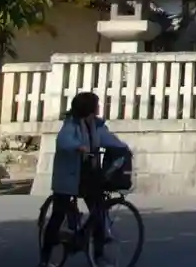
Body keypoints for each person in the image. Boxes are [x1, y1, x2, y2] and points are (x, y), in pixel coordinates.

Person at [40, 91, 127, 267]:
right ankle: (45, 258)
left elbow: (107, 139)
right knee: (58, 215)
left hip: (88, 175)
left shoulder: (96, 125)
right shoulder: (71, 125)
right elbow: (63, 141)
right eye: (96, 104)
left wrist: (123, 148)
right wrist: (78, 146)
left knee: (99, 212)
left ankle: (98, 255)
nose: (99, 107)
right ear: (89, 108)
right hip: (69, 177)